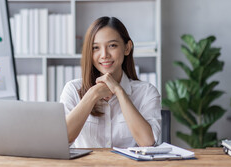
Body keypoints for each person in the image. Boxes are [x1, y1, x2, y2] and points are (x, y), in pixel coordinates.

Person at [60, 16, 161, 148]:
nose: (104, 54)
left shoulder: (146, 92)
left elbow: (147, 143)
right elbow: (62, 140)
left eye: (112, 45)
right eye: (96, 48)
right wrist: (92, 95)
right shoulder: (72, 89)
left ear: (127, 48)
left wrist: (119, 91)